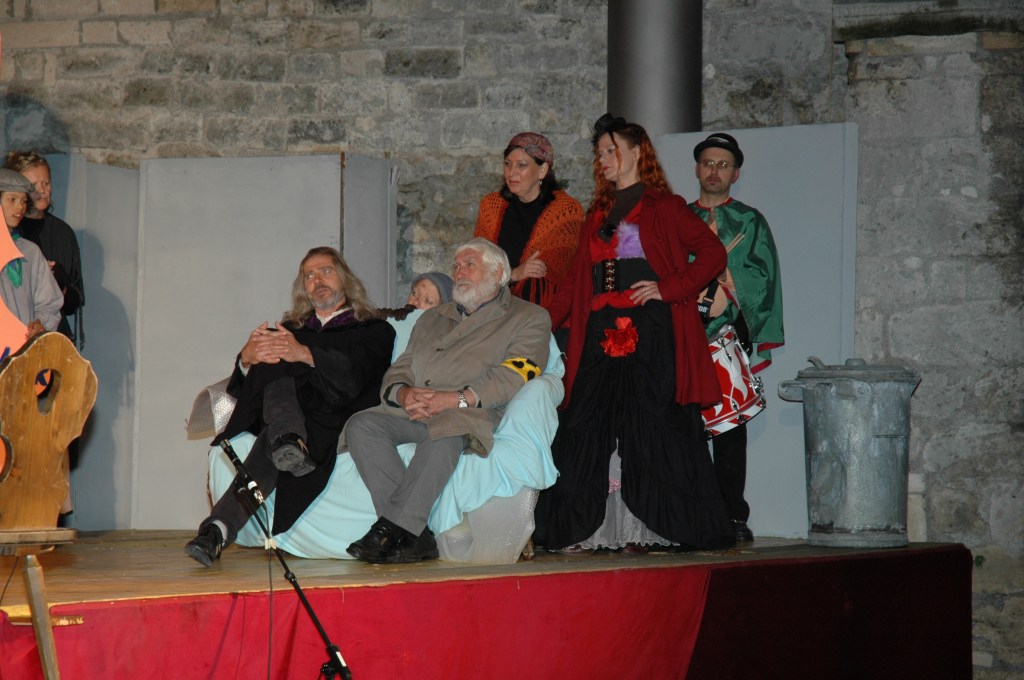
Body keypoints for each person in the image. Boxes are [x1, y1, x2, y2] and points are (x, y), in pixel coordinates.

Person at [533, 114, 735, 554]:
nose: (603, 159)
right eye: (599, 153)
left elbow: (712, 253)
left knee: (654, 424)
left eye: (611, 150)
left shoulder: (665, 206)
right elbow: (574, 283)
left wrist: (668, 288)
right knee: (585, 422)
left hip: (650, 330)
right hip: (598, 332)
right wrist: (536, 325)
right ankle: (585, 529)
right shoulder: (596, 215)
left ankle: (662, 529)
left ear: (637, 151)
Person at [343, 237, 550, 564]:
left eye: (469, 264)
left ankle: (390, 530)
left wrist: (456, 399)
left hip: (466, 413)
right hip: (416, 411)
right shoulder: (431, 318)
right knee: (362, 425)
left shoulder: (528, 316)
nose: (459, 272)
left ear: (498, 273)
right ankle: (416, 537)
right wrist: (404, 394)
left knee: (445, 433)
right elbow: (402, 367)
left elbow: (517, 371)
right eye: (456, 266)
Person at [185, 246, 395, 566]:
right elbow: (246, 388)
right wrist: (246, 360)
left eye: (325, 271)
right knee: (274, 363)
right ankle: (285, 442)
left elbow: (357, 378)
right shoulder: (291, 331)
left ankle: (217, 529)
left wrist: (305, 355)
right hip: (291, 417)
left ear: (344, 278)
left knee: (275, 424)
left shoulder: (374, 330)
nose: (317, 280)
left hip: (336, 415)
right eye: (308, 276)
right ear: (302, 288)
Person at [690, 133, 784, 543]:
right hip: (683, 335)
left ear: (736, 173)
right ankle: (690, 513)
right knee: (684, 427)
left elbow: (764, 277)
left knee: (729, 427)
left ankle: (731, 515)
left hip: (727, 333)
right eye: (708, 163)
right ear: (697, 169)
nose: (715, 171)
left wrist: (728, 285)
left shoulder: (750, 221)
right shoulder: (679, 218)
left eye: (723, 165)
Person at [473, 132, 583, 311]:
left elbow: (553, 271)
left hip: (540, 310)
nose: (511, 172)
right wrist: (514, 274)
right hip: (491, 306)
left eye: (521, 165)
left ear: (542, 170)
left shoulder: (565, 211)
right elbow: (478, 265)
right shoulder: (491, 206)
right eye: (507, 164)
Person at [4, 152, 85, 348]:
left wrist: (60, 284)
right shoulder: (11, 233)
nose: (41, 190)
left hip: (50, 336)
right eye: (33, 185)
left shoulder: (62, 233)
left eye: (46, 183)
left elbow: (75, 299)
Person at [0, 168, 63, 346]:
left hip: (23, 352)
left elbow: (49, 302)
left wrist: (41, 324)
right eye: (12, 200)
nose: (20, 207)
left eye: (24, 201)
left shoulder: (30, 252)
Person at [374, 271, 454, 321]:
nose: (415, 302)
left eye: (427, 301)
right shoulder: (393, 319)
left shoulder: (443, 341)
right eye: (414, 293)